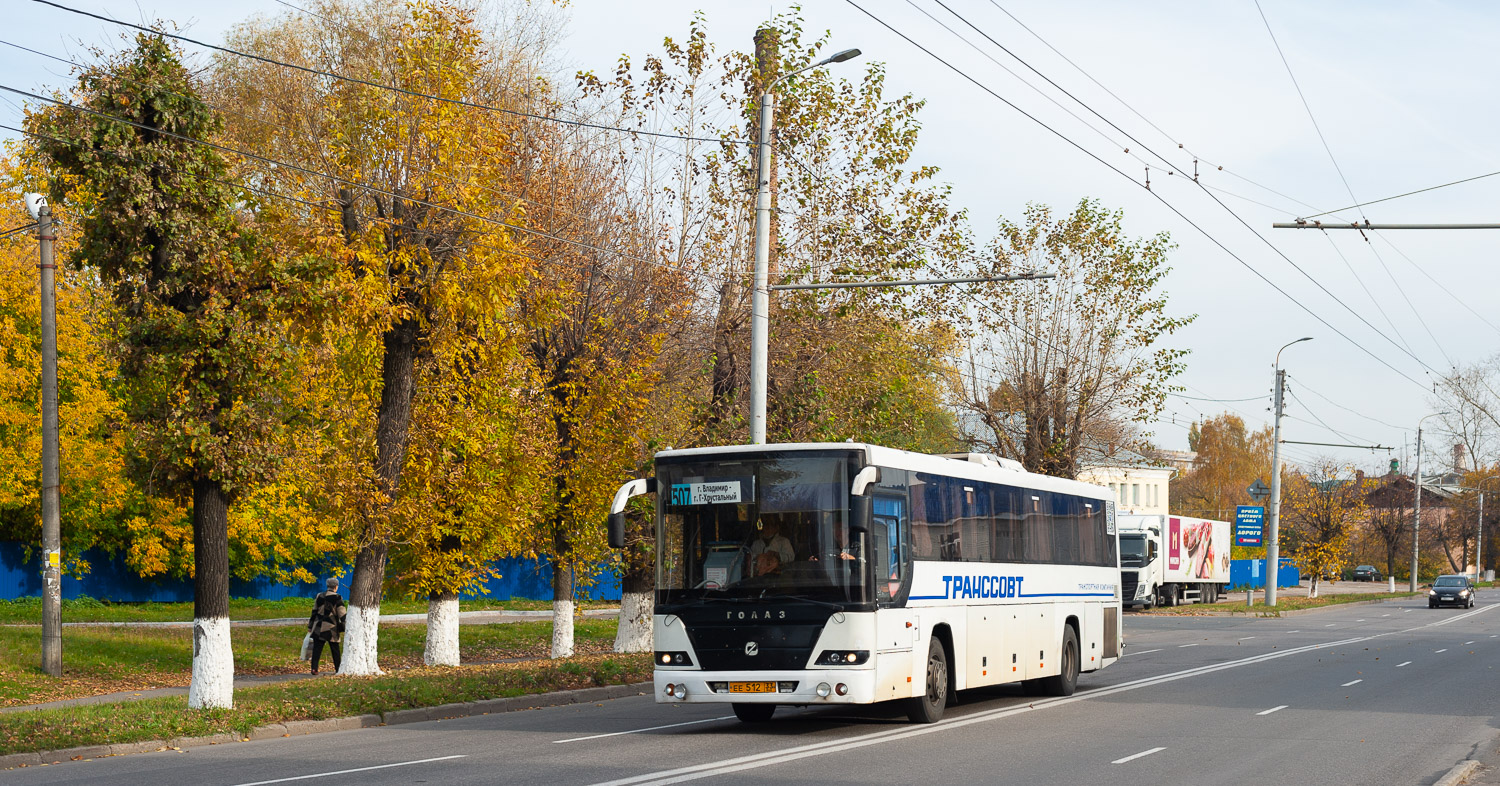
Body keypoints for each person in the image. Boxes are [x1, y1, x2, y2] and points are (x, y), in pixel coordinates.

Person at [307, 577, 347, 676]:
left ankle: (314, 669)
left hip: (318, 626)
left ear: (327, 585)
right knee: (335, 649)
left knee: (317, 648)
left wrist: (310, 625)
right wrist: (346, 626)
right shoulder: (337, 597)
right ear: (336, 587)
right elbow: (342, 613)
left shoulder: (319, 596)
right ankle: (338, 669)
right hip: (331, 627)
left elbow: (314, 611)